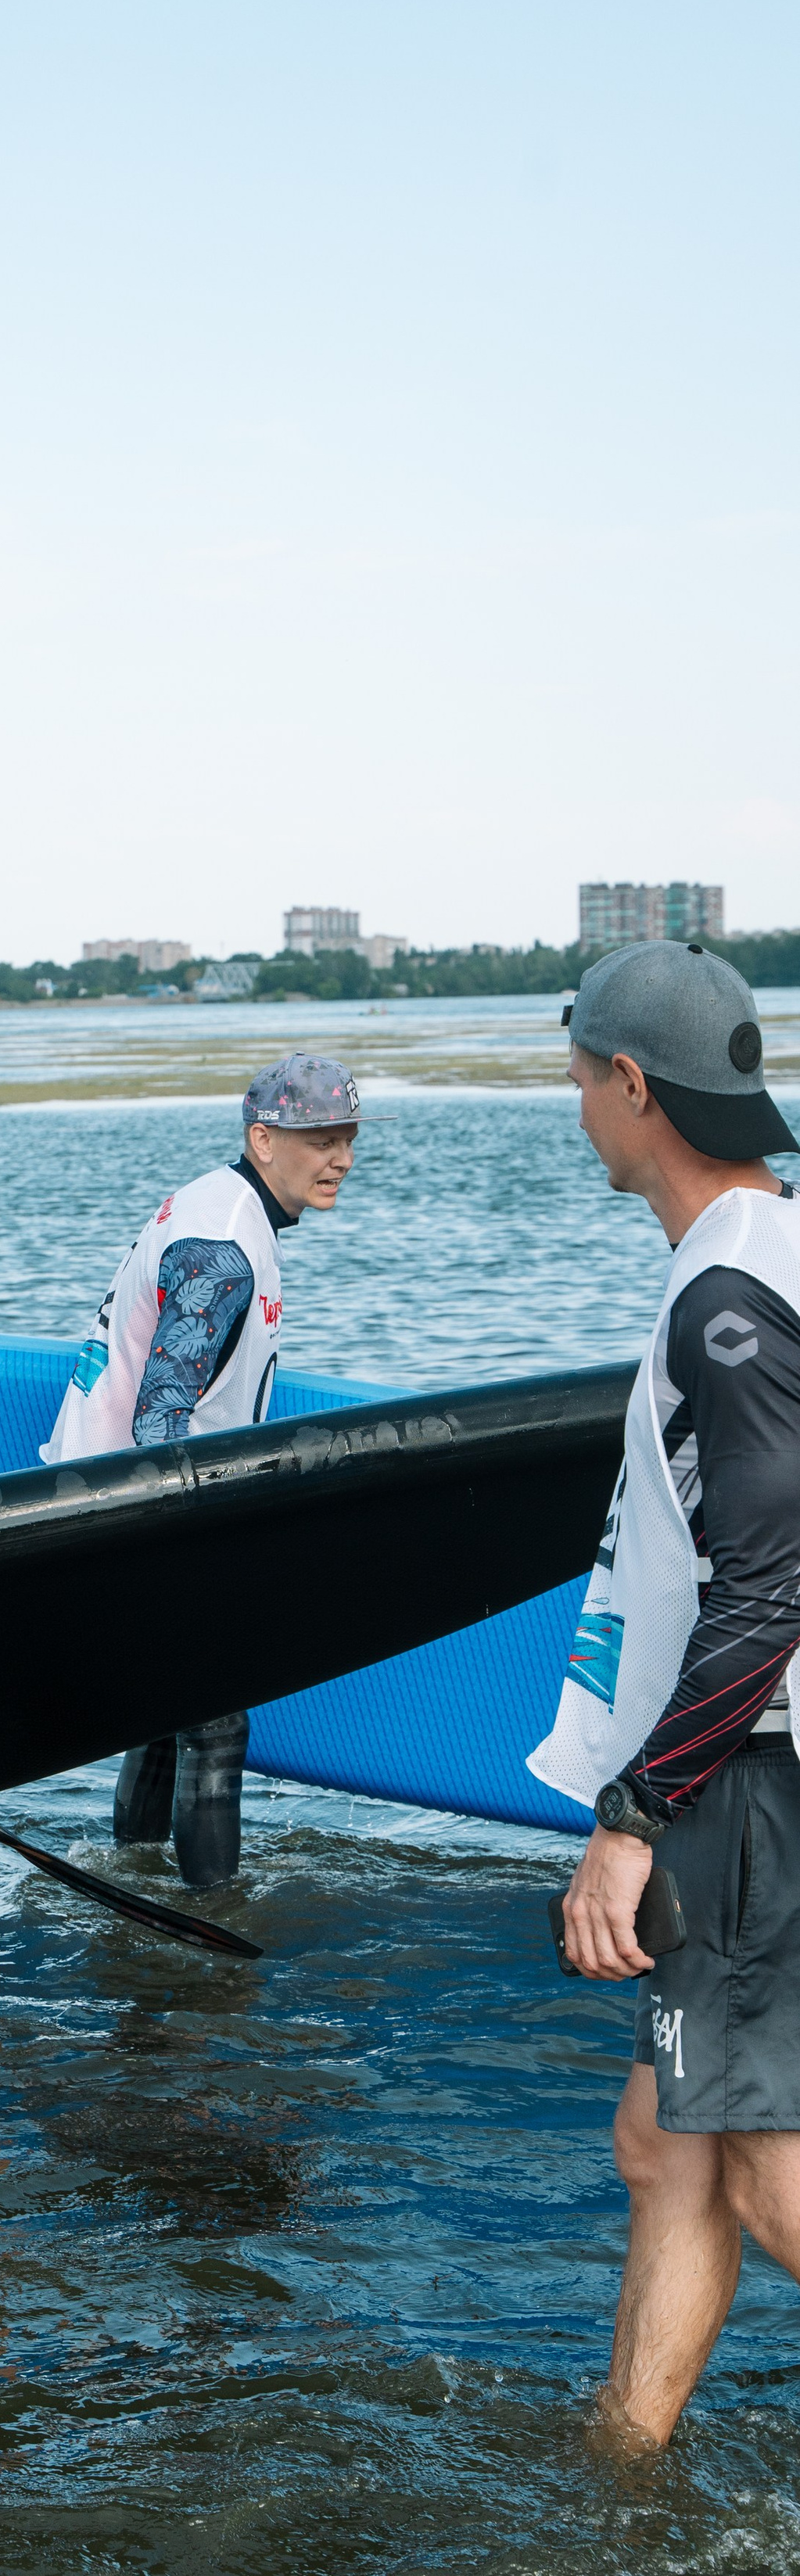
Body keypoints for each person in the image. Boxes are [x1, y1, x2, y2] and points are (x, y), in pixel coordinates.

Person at [539, 942, 800, 2449]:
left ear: (634, 1087)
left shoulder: (732, 1307)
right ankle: (625, 2473)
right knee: (667, 2148)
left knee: (765, 2172)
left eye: (583, 1082)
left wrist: (637, 1816)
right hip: (751, 1780)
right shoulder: (762, 1257)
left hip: (747, 1789)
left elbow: (769, 1588)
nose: (580, 1111)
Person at [41, 1053, 360, 1888]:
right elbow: (157, 1423)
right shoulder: (222, 1247)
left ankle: (134, 1884)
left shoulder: (221, 1204)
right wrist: (186, 1563)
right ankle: (213, 1927)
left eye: (348, 1137)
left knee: (162, 1721)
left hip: (105, 1493)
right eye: (320, 1139)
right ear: (262, 1139)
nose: (342, 1158)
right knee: (215, 1727)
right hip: (126, 1504)